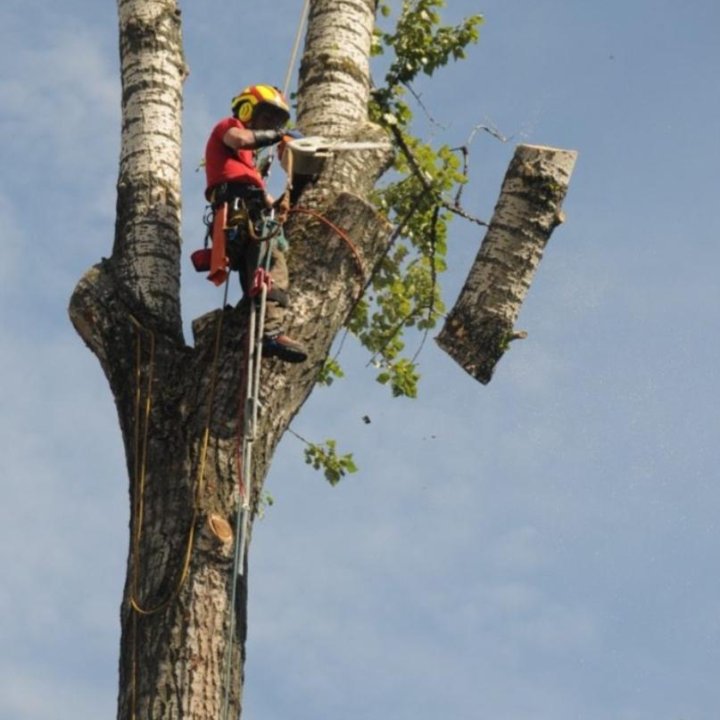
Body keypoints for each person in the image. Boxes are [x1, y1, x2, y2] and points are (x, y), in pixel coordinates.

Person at [204, 84, 307, 363]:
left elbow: (270, 202)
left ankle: (261, 324)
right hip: (238, 213)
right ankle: (270, 333)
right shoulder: (229, 127)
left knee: (265, 271)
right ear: (247, 110)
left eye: (276, 122)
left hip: (253, 215)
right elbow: (240, 139)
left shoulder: (251, 169)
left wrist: (293, 192)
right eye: (267, 118)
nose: (272, 126)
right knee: (272, 265)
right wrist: (278, 135)